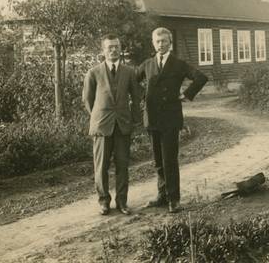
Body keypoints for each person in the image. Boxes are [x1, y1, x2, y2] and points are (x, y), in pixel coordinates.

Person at [136, 27, 208, 213]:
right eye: (158, 41)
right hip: (151, 117)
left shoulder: (179, 64)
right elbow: (132, 82)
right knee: (158, 160)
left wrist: (186, 94)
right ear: (153, 43)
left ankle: (173, 199)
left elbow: (201, 77)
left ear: (170, 43)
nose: (161, 45)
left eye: (164, 41)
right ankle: (162, 196)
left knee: (170, 159)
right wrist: (141, 97)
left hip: (170, 118)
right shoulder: (147, 64)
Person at [82, 33, 141, 216]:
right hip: (102, 126)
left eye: (116, 46)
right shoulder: (94, 73)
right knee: (101, 167)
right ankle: (104, 202)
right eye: (110, 47)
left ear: (120, 49)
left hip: (122, 125)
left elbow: (136, 98)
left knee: (122, 165)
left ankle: (122, 202)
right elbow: (87, 100)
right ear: (103, 50)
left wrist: (133, 119)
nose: (113, 50)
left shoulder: (129, 72)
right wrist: (99, 117)